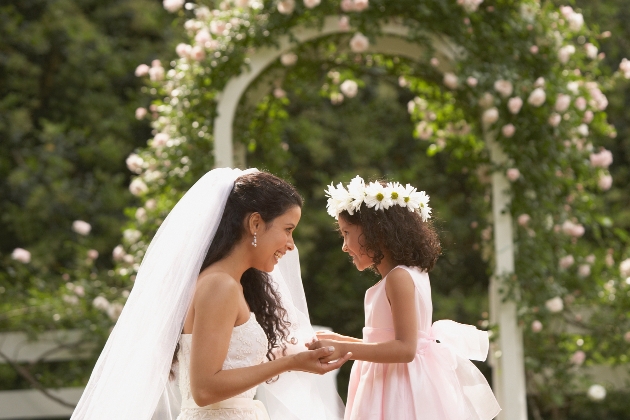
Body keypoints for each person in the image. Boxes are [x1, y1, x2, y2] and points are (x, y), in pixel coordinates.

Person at [71, 168, 350, 420]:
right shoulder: (219, 285)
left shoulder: (229, 283)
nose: (290, 245)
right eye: (288, 230)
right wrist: (290, 363)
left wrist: (299, 351)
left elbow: (230, 362)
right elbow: (204, 389)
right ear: (255, 224)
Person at [309, 176, 501, 420]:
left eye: (346, 233)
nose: (345, 246)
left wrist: (344, 349)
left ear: (375, 230)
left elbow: (405, 349)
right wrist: (339, 340)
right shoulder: (409, 274)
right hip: (396, 379)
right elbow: (389, 338)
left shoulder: (399, 278)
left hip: (397, 388)